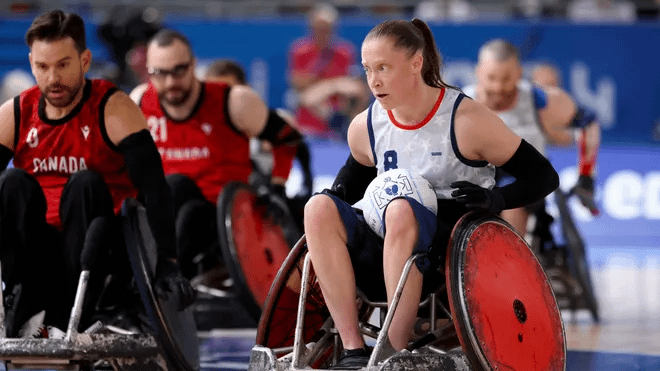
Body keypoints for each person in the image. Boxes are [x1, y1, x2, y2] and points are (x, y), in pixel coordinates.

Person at [303, 19, 559, 369]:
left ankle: (392, 350)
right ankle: (353, 350)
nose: (373, 80)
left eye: (383, 68)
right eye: (367, 69)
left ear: (416, 63)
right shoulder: (366, 125)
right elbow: (346, 187)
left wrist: (496, 200)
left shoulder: (465, 119)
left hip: (445, 253)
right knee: (317, 207)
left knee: (400, 211)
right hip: (380, 247)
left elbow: (543, 175)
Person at [0, 10, 194, 338]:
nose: (52, 78)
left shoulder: (114, 108)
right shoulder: (16, 112)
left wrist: (168, 260)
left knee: (85, 183)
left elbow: (154, 188)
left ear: (84, 60)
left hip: (99, 248)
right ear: (32, 62)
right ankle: (23, 300)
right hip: (38, 251)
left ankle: (68, 316)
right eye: (43, 67)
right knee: (11, 182)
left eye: (63, 65)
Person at [130, 31, 303, 280]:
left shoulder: (233, 101)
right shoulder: (138, 102)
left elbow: (287, 137)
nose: (170, 83)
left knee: (177, 189)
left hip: (221, 221)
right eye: (160, 73)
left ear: (193, 65)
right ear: (149, 71)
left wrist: (278, 185)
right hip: (160, 216)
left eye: (178, 70)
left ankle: (164, 284)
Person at [463, 39, 601, 235]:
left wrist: (586, 177)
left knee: (512, 202)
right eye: (491, 78)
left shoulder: (539, 100)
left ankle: (512, 259)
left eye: (506, 79)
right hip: (476, 181)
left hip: (524, 183)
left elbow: (589, 123)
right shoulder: (461, 104)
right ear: (478, 73)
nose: (498, 87)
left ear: (519, 73)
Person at [288, 3, 369, 140]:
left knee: (360, 92)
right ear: (311, 29)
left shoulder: (345, 51)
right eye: (319, 29)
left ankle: (353, 132)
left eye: (327, 29)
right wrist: (331, 85)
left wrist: (330, 86)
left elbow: (351, 85)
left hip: (338, 112)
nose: (323, 33)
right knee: (309, 98)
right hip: (309, 117)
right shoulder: (300, 50)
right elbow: (298, 83)